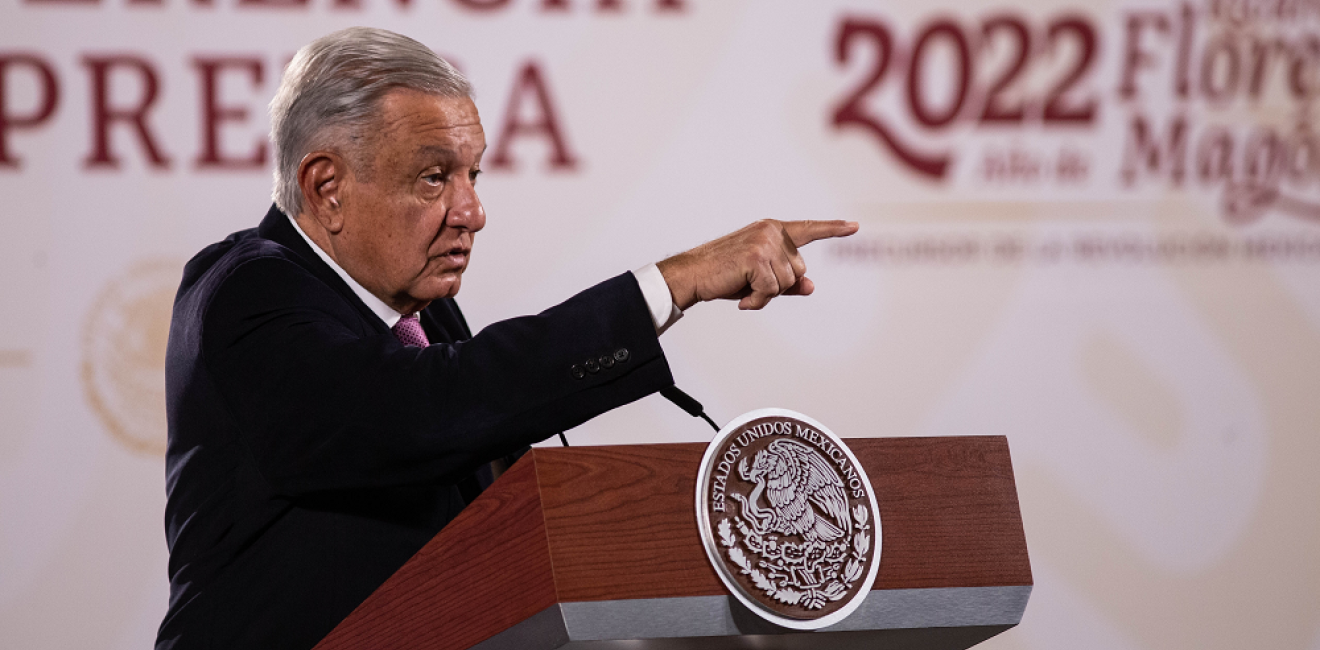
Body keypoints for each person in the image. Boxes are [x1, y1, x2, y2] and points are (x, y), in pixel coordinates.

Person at [156, 26, 857, 650]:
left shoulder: (425, 316)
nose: (473, 212)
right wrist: (669, 285)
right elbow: (419, 412)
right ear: (326, 186)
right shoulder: (247, 291)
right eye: (435, 178)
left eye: (473, 174)